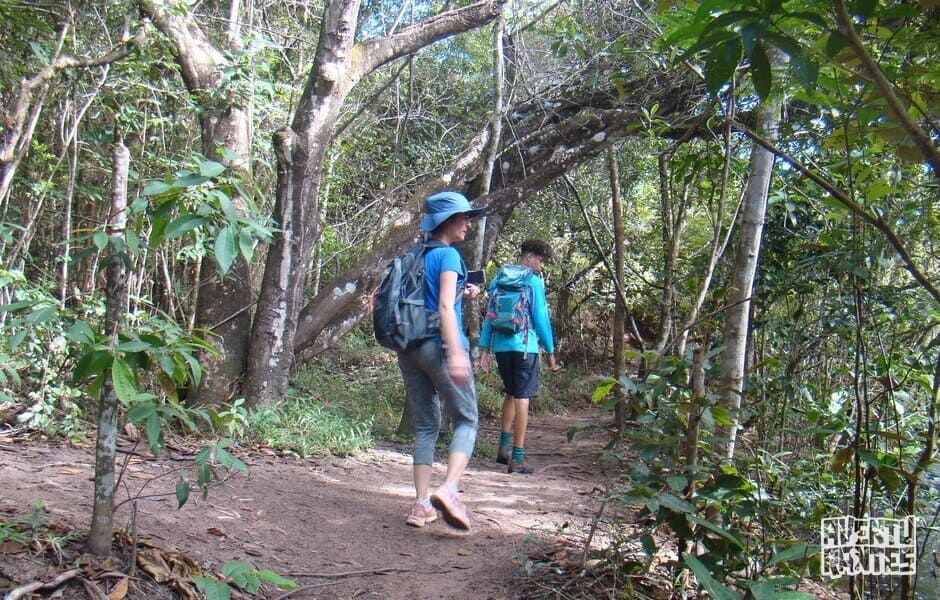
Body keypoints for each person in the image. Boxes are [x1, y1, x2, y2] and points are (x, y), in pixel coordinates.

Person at [399, 191, 484, 530]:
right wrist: (458, 352)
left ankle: (421, 505)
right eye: (464, 217)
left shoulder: (413, 255)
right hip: (440, 345)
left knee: (425, 425)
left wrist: (465, 293)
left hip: (409, 348)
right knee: (467, 419)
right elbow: (445, 307)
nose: (468, 223)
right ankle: (449, 488)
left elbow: (431, 297)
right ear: (447, 221)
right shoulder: (448, 256)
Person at [479, 239, 560, 474]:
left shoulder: (498, 279)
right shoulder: (533, 282)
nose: (541, 266)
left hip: (502, 348)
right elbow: (541, 319)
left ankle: (503, 448)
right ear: (529, 257)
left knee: (512, 393)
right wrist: (551, 352)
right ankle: (518, 457)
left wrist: (485, 349)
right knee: (523, 397)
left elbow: (489, 316)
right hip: (525, 347)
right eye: (540, 260)